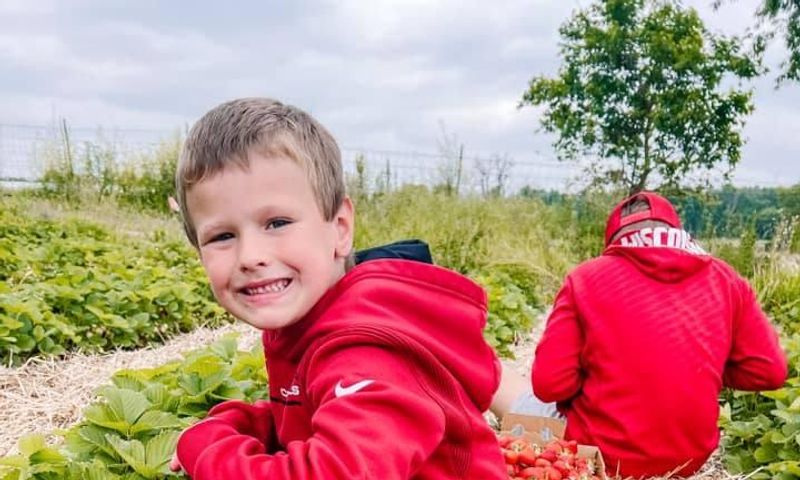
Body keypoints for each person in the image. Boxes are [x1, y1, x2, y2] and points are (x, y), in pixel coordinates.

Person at [168, 97, 506, 479]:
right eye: (222, 236)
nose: (251, 255)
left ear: (340, 229)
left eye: (277, 223)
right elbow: (311, 414)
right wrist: (246, 423)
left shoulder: (367, 350)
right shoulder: (306, 322)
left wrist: (206, 451)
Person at [518, 191, 788, 478]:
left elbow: (549, 385)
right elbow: (769, 371)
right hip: (689, 461)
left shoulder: (586, 278)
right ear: (675, 232)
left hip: (600, 458)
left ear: (614, 241)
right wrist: (695, 368)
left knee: (509, 387)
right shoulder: (726, 278)